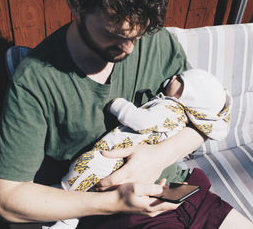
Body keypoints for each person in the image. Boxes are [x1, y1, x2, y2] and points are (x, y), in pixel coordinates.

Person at [0, 0, 253, 228]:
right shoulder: (35, 81)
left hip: (174, 189)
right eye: (113, 34)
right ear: (76, 3)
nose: (129, 48)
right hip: (108, 213)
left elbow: (213, 118)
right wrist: (115, 202)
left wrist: (159, 157)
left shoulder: (157, 41)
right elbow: (8, 198)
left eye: (137, 34)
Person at [52, 68, 232, 228]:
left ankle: (65, 217)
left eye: (180, 80)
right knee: (79, 181)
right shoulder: (181, 115)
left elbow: (142, 121)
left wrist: (119, 106)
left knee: (79, 175)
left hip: (115, 156)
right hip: (130, 176)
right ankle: (65, 211)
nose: (174, 76)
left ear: (187, 95)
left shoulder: (170, 108)